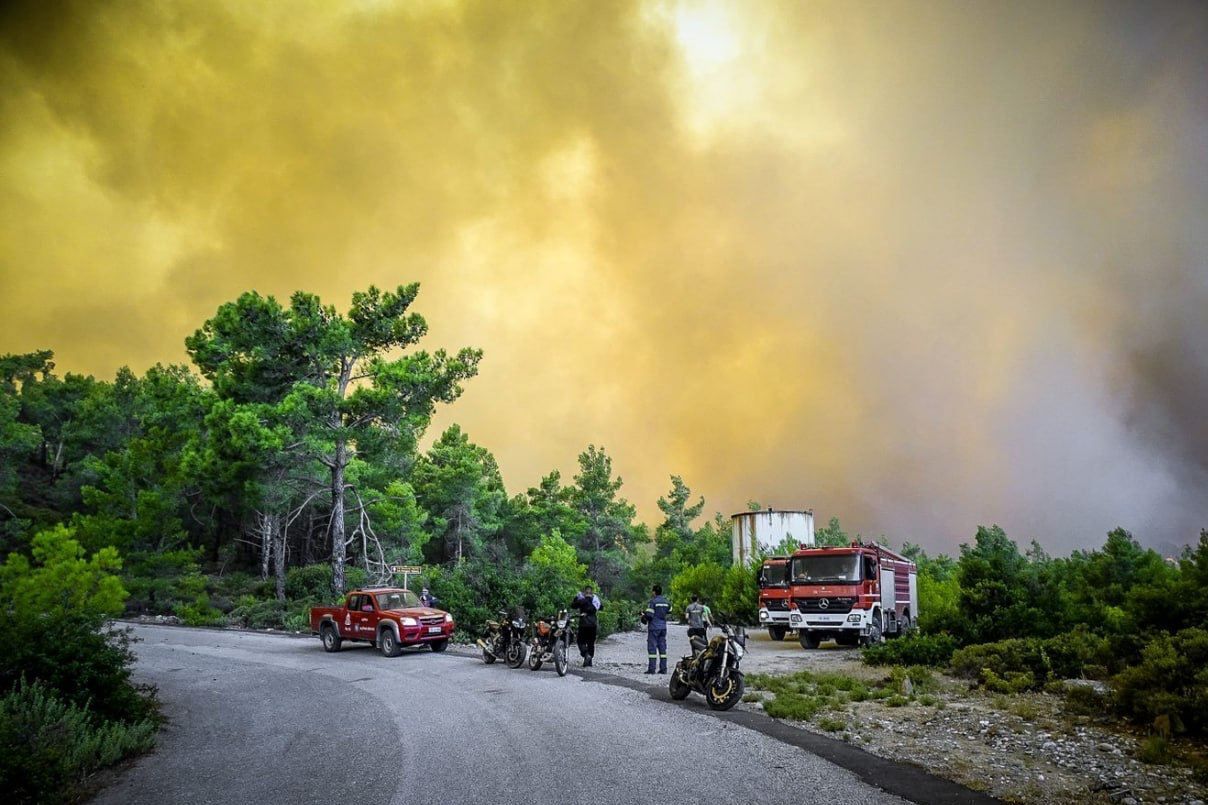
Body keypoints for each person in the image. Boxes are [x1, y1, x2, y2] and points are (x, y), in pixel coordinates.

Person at [643, 584, 672, 674]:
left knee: (652, 649)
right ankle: (663, 669)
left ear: (654, 592)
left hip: (654, 627)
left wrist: (643, 616)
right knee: (662, 648)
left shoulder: (653, 602)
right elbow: (670, 611)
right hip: (663, 627)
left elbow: (649, 616)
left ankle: (652, 669)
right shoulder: (667, 602)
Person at [570, 585, 601, 666]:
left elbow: (573, 605)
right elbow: (601, 607)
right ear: (592, 592)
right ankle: (589, 660)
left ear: (584, 592)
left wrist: (576, 597)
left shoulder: (581, 600)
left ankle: (586, 655)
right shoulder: (595, 601)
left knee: (580, 641)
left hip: (583, 624)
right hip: (593, 624)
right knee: (591, 643)